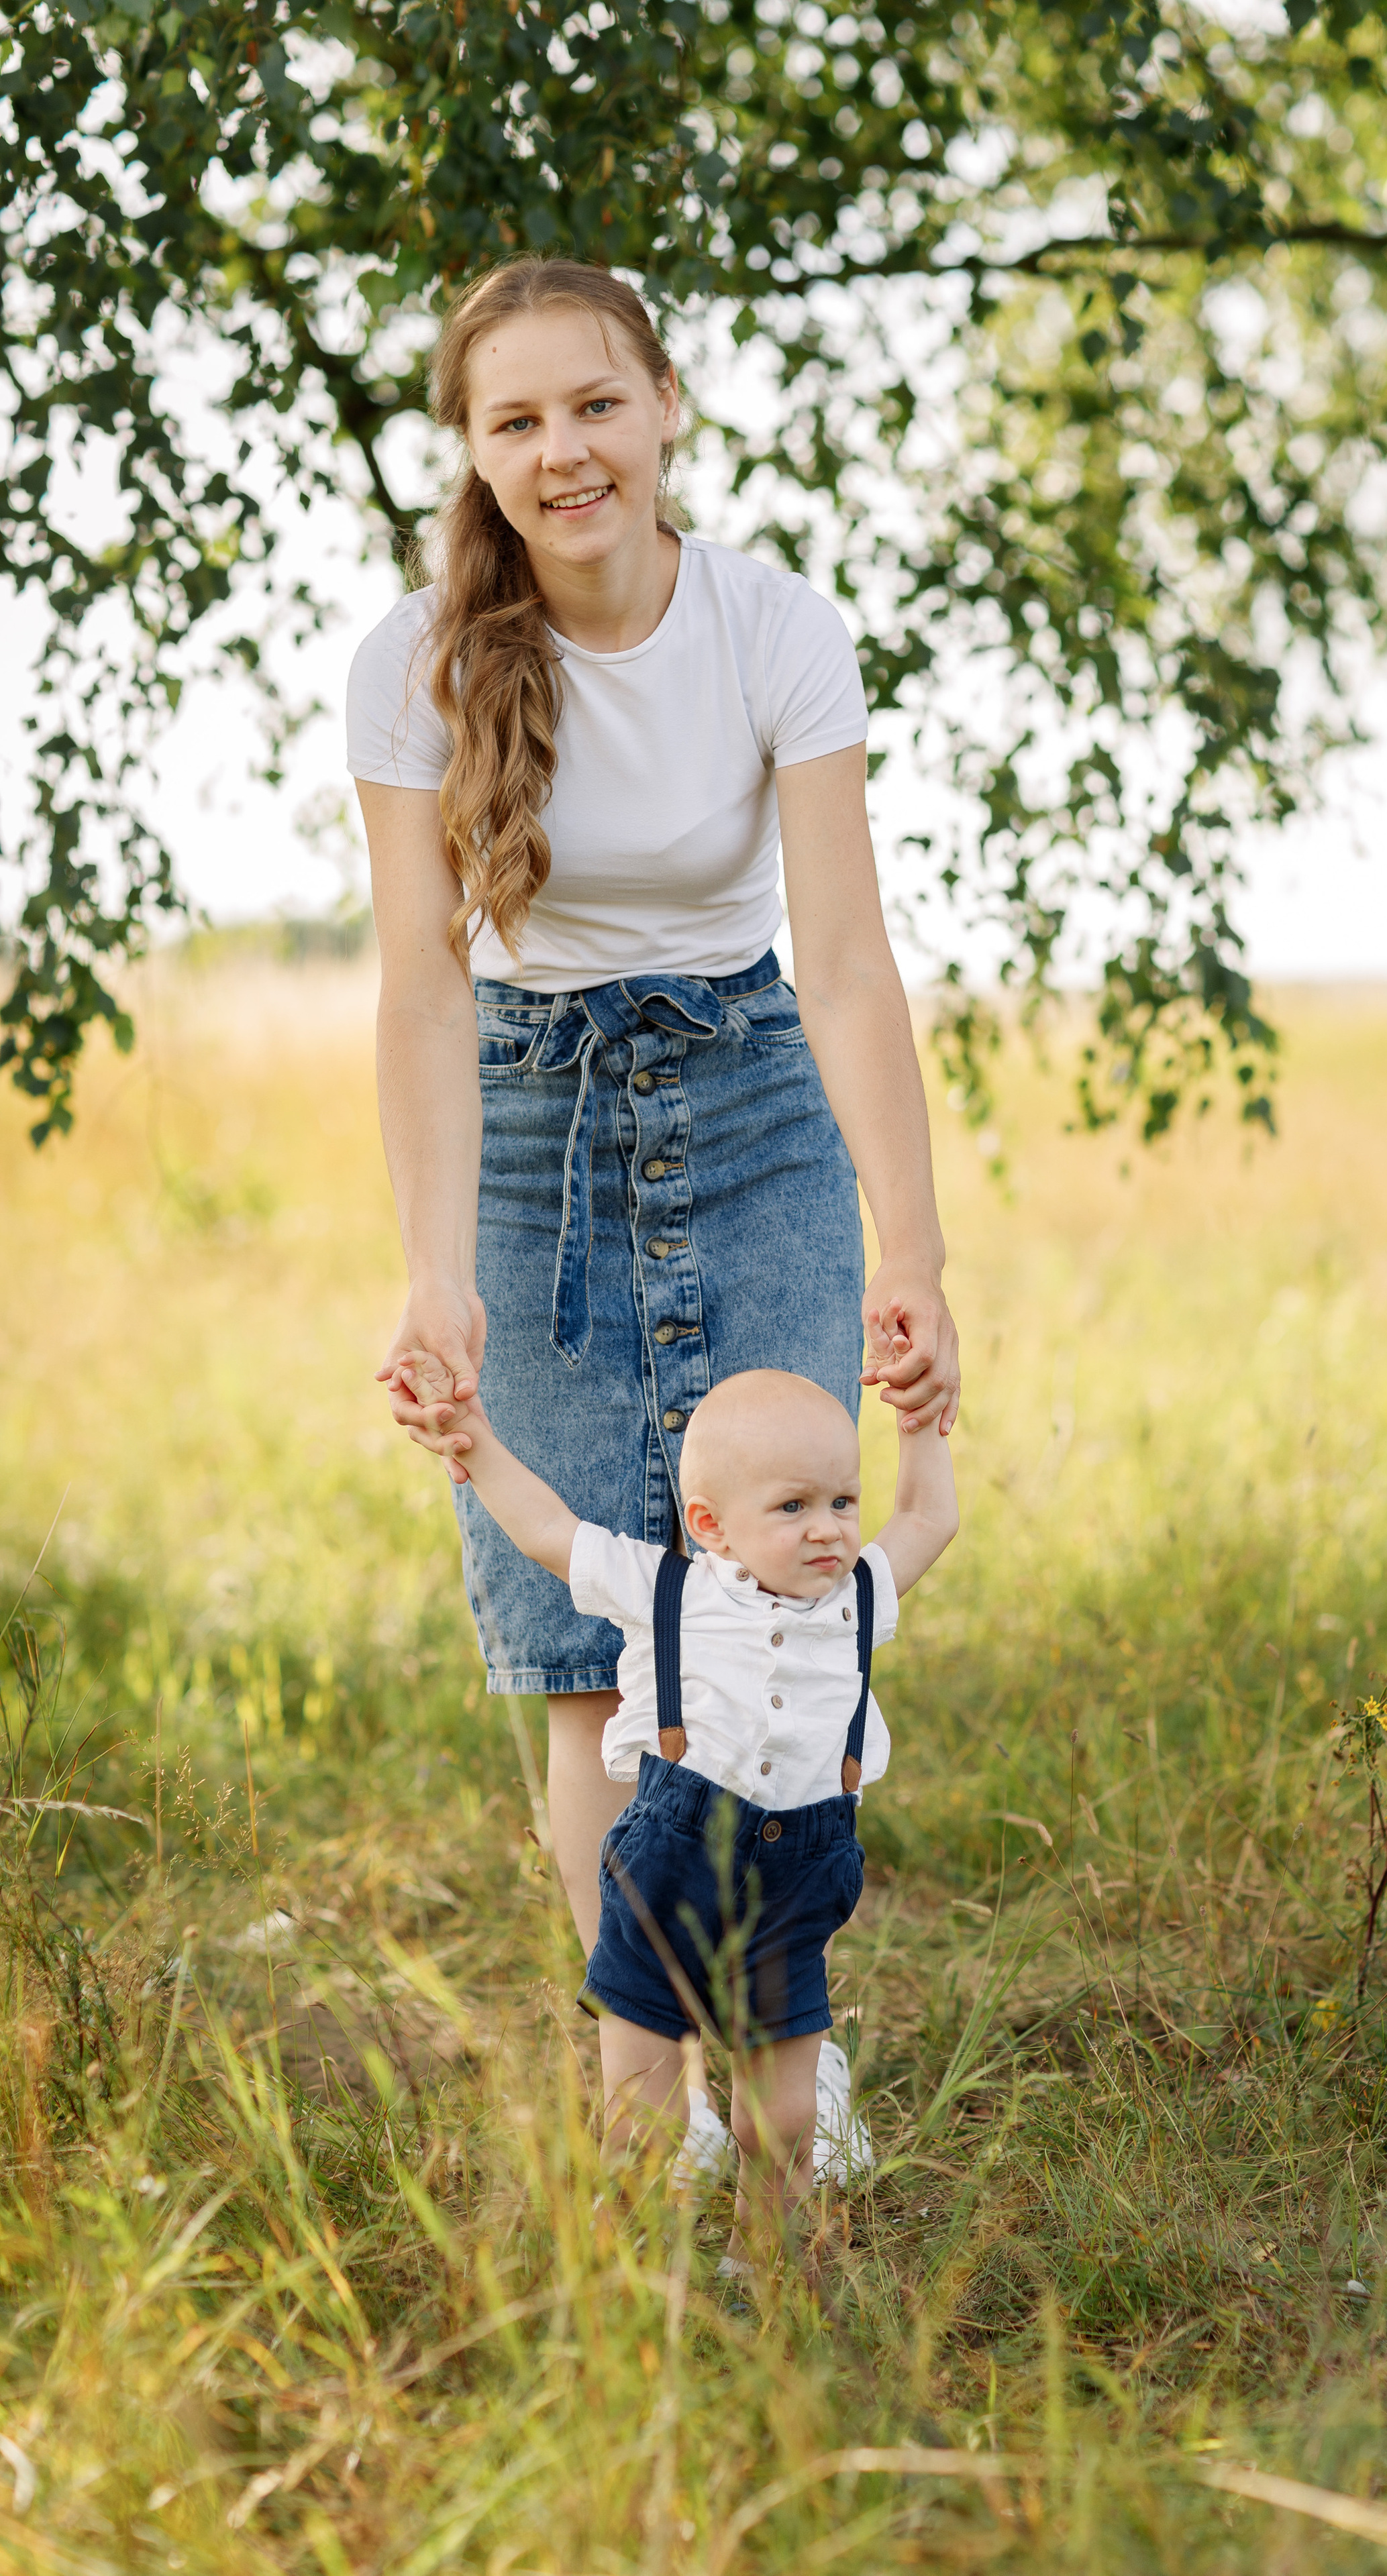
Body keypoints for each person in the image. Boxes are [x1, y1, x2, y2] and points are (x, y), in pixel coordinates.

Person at [346, 256, 960, 2175]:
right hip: (529, 1126)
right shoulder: (417, 657)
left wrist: (914, 1248)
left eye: (593, 404)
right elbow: (424, 985)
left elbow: (849, 960)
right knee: (585, 1651)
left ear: (667, 403)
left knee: (775, 1574)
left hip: (758, 1097)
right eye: (514, 420)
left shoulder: (777, 626)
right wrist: (436, 1268)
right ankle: (660, 2074)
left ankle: (786, 2035)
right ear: (475, 450)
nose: (562, 451)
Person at [392, 1350, 958, 2269]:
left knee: (778, 2115)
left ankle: (760, 2267)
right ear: (711, 1526)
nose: (828, 1530)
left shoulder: (859, 1597)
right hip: (669, 1871)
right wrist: (475, 1442)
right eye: (793, 1507)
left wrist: (922, 1418)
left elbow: (931, 1515)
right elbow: (546, 1528)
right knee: (644, 2115)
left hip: (794, 1882)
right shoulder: (669, 1591)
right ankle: (633, 2277)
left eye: (843, 1503)